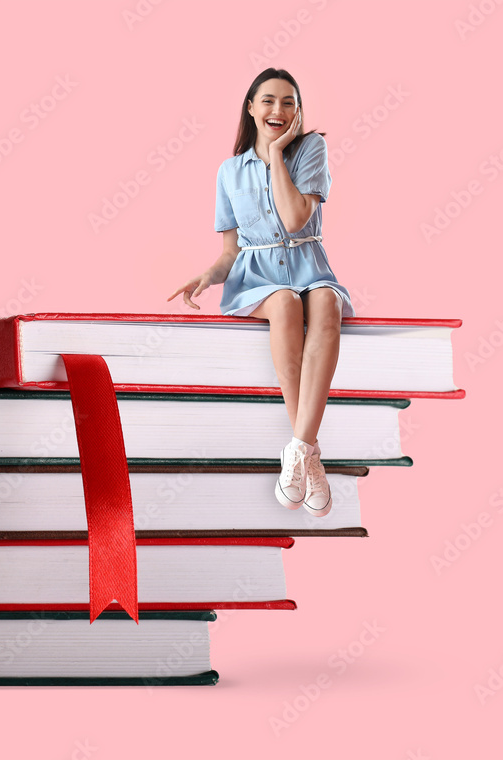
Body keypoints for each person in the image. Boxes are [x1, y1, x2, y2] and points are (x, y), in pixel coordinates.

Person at [167, 67, 354, 517]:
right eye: (268, 100)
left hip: (309, 266)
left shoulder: (311, 148)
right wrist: (207, 276)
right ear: (250, 107)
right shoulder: (229, 172)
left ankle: (299, 450)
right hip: (257, 278)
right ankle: (309, 455)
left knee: (326, 299)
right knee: (286, 303)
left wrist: (276, 155)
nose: (278, 109)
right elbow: (231, 251)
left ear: (298, 111)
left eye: (289, 102)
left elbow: (294, 220)